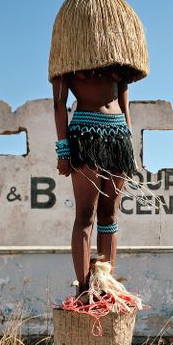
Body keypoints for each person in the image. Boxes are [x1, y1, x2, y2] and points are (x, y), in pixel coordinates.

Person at [52, 65, 138, 299]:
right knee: (85, 216)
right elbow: (59, 104)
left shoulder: (118, 63)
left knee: (109, 215)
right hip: (84, 136)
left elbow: (124, 103)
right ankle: (83, 289)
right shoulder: (68, 60)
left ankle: (106, 285)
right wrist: (63, 150)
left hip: (119, 136)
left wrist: (130, 146)